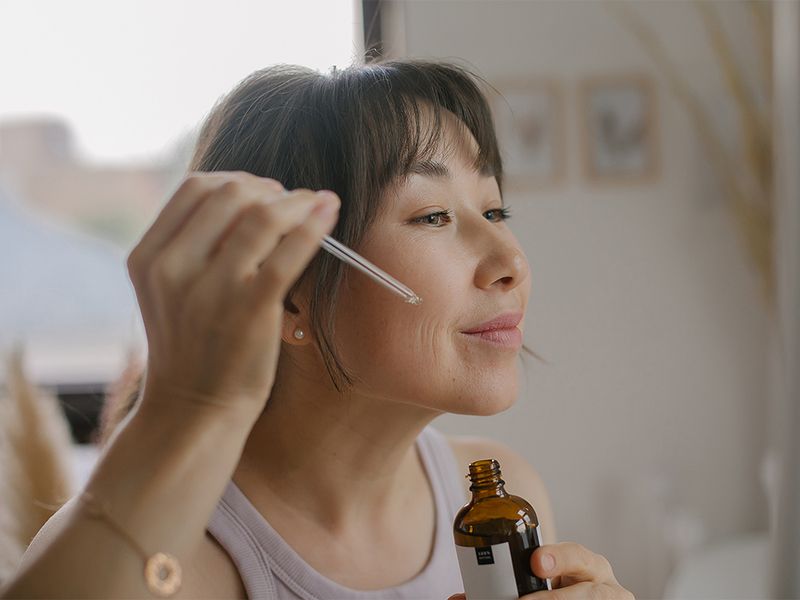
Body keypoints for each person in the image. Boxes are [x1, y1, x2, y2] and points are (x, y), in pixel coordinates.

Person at [0, 58, 633, 599]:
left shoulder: (504, 495)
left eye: (495, 209)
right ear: (288, 294)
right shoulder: (177, 561)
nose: (511, 263)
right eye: (435, 215)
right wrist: (184, 407)